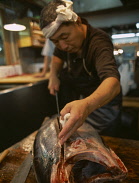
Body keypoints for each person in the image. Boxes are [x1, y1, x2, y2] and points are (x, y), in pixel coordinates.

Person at [40, 0, 122, 144]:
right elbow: (57, 56)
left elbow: (113, 82)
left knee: (102, 143)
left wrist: (87, 104)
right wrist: (53, 76)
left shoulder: (98, 41)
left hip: (104, 101)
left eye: (65, 37)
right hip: (84, 98)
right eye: (55, 41)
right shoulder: (61, 41)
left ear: (77, 22)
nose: (63, 45)